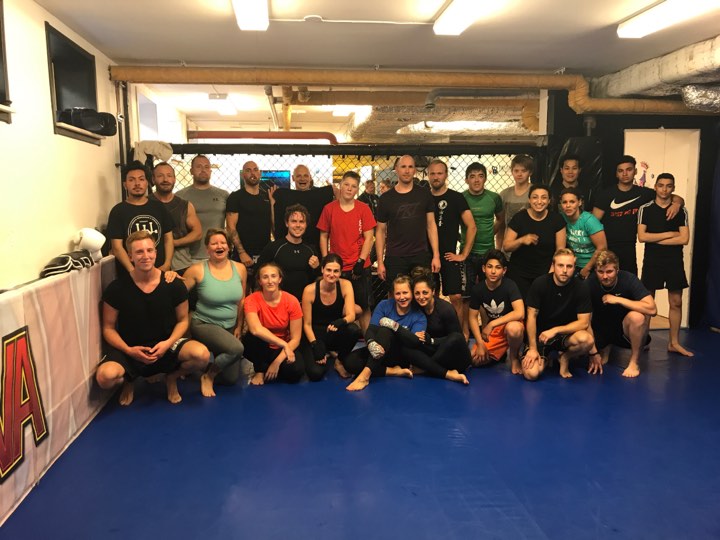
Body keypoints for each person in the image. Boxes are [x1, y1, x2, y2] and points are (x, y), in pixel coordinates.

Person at [95, 231, 210, 405]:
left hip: (166, 346)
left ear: (156, 253)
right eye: (139, 252)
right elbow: (108, 328)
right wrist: (128, 350)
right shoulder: (117, 288)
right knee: (105, 378)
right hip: (131, 348)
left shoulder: (174, 284)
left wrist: (168, 343)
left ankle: (171, 377)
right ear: (130, 256)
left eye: (149, 250)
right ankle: (129, 380)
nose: (146, 256)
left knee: (202, 356)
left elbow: (183, 321)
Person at [182, 229, 248, 397]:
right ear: (207, 249)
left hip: (229, 326)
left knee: (230, 379)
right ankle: (208, 376)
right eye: (214, 243)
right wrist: (183, 324)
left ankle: (197, 365)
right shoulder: (197, 270)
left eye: (223, 243)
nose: (219, 246)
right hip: (204, 323)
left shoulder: (240, 268)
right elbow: (178, 296)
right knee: (236, 349)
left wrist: (239, 325)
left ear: (229, 247)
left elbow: (241, 300)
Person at [593, 155, 683, 275]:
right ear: (616, 174)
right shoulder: (606, 195)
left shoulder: (644, 193)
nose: (625, 174)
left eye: (629, 170)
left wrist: (677, 204)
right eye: (621, 171)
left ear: (635, 171)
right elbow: (593, 223)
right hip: (607, 247)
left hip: (629, 247)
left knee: (629, 282)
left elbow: (674, 197)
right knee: (606, 279)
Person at [638, 173, 693, 356]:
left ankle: (673, 342)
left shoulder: (680, 211)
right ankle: (642, 341)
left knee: (676, 302)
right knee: (648, 303)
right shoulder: (645, 209)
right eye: (661, 185)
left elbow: (684, 239)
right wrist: (670, 234)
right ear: (655, 187)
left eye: (668, 186)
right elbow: (642, 237)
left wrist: (656, 238)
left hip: (674, 261)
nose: (664, 189)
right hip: (652, 260)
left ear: (673, 188)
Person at [522, 249, 596, 380]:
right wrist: (532, 348)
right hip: (541, 337)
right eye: (560, 265)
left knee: (587, 340)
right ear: (553, 265)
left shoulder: (581, 287)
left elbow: (584, 322)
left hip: (565, 336)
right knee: (531, 374)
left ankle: (565, 357)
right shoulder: (540, 283)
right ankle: (545, 357)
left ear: (574, 267)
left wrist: (556, 330)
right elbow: (531, 316)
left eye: (569, 266)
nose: (565, 270)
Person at [317, 171, 376, 331]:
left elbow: (369, 237)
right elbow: (323, 236)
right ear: (340, 185)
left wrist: (361, 261)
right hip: (337, 267)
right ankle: (338, 337)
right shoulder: (329, 209)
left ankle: (369, 340)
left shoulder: (363, 209)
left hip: (359, 266)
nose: (349, 189)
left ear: (357, 189)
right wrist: (326, 260)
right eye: (346, 185)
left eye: (353, 186)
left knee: (363, 307)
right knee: (338, 306)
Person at [343, 275, 420, 391]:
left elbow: (414, 342)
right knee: (350, 363)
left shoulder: (418, 314)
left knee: (385, 330)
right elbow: (371, 329)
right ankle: (393, 371)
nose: (402, 297)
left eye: (405, 293)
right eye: (398, 293)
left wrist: (395, 326)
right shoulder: (384, 305)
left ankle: (364, 376)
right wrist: (370, 342)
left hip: (400, 355)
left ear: (412, 293)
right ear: (393, 294)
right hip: (379, 351)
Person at [587, 250, 657, 378]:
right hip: (601, 329)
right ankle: (605, 347)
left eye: (609, 271)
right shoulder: (590, 282)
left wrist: (618, 300)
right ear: (595, 271)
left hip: (623, 331)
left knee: (637, 317)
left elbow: (652, 309)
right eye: (600, 272)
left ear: (617, 270)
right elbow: (584, 317)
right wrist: (594, 353)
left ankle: (634, 362)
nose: (605, 276)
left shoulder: (629, 279)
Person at [427, 159, 477, 332]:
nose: (436, 177)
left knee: (456, 297)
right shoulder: (423, 197)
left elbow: (471, 226)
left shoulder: (456, 197)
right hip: (426, 255)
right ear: (428, 175)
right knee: (429, 296)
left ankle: (459, 335)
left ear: (446, 175)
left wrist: (463, 254)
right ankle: (432, 332)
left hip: (449, 255)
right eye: (432, 173)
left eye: (439, 173)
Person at [376, 155, 441, 282]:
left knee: (422, 291)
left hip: (420, 255)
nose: (407, 170)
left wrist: (436, 255)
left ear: (415, 170)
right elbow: (380, 231)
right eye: (403, 166)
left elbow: (431, 225)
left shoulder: (424, 194)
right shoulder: (386, 198)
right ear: (396, 169)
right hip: (395, 257)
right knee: (396, 292)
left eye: (410, 167)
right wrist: (380, 261)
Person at [301, 254, 362, 381]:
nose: (332, 274)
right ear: (322, 269)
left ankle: (339, 361)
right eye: (328, 270)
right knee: (315, 373)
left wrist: (341, 321)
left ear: (340, 272)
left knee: (354, 330)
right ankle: (323, 350)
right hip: (315, 333)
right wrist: (315, 345)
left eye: (336, 271)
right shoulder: (309, 290)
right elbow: (306, 324)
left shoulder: (345, 285)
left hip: (334, 330)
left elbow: (351, 315)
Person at [107, 161, 174, 275]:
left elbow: (168, 239)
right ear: (125, 184)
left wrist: (167, 265)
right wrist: (132, 271)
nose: (137, 183)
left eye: (141, 179)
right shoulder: (118, 211)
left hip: (160, 271)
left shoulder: (159, 207)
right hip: (130, 275)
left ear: (147, 183)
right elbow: (117, 247)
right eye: (131, 180)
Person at [243, 262, 305, 385]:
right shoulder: (251, 299)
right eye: (265, 277)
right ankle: (260, 370)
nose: (270, 281)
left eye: (273, 276)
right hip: (260, 346)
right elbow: (255, 329)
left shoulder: (291, 301)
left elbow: (296, 338)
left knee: (295, 372)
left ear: (279, 279)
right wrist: (284, 345)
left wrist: (277, 362)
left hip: (281, 348)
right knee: (253, 337)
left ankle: (271, 366)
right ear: (260, 281)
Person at [405, 269, 471, 385]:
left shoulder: (445, 309)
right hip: (434, 352)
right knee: (406, 347)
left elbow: (457, 340)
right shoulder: (415, 307)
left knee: (455, 338)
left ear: (433, 291)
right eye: (417, 293)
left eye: (425, 292)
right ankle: (439, 370)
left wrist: (431, 341)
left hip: (454, 355)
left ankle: (425, 368)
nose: (421, 297)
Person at [503, 184, 566, 298]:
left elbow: (560, 250)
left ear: (549, 201)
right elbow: (506, 246)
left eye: (544, 197)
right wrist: (522, 240)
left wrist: (551, 273)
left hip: (545, 272)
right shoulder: (519, 218)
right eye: (535, 197)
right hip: (519, 273)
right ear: (529, 200)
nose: (539, 201)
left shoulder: (557, 220)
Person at [468, 250, 525, 374]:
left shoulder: (510, 285)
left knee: (514, 329)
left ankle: (514, 357)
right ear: (484, 268)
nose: (493, 271)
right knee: (474, 360)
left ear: (504, 271)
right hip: (494, 333)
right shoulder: (478, 289)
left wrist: (491, 324)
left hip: (510, 326)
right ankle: (500, 353)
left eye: (498, 268)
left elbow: (520, 312)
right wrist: (480, 343)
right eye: (490, 267)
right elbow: (472, 317)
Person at [226, 160, 274, 287]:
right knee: (241, 291)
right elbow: (230, 227)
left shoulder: (267, 197)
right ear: (243, 175)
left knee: (263, 290)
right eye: (248, 170)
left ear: (260, 173)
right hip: (243, 254)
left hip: (264, 252)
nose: (252, 173)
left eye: (255, 170)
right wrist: (241, 252)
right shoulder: (235, 197)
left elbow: (273, 224)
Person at [257, 204, 320, 301]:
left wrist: (317, 268)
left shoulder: (311, 249)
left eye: (301, 222)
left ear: (306, 224)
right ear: (287, 223)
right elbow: (259, 274)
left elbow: (317, 279)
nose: (298, 225)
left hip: (304, 303)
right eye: (294, 221)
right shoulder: (274, 247)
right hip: (277, 302)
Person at [151, 161, 202, 273]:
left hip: (181, 264)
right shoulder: (145, 203)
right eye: (160, 176)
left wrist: (173, 243)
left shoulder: (184, 205)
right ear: (153, 180)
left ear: (174, 179)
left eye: (169, 176)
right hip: (151, 265)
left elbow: (197, 233)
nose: (165, 179)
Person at [270, 164, 334, 254]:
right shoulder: (283, 197)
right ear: (293, 178)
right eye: (299, 176)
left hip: (314, 248)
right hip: (289, 249)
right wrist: (273, 203)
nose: (302, 179)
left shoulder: (320, 196)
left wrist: (333, 190)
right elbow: (276, 224)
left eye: (305, 176)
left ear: (310, 178)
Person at [176, 154, 229, 263]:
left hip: (218, 254)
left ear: (210, 171)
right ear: (191, 171)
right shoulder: (180, 196)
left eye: (206, 167)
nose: (203, 170)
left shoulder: (223, 195)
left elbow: (231, 225)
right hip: (190, 257)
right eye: (199, 166)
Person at [462, 162, 504, 294]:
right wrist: (461, 239)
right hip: (467, 253)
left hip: (487, 252)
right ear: (466, 180)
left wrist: (490, 233)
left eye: (480, 176)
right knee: (466, 294)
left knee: (487, 291)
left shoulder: (494, 198)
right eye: (472, 176)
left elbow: (500, 219)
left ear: (485, 179)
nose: (476, 180)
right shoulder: (461, 198)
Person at [560, 188, 607, 278]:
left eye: (572, 202)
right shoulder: (562, 218)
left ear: (579, 202)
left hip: (593, 266)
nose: (568, 205)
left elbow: (602, 248)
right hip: (572, 264)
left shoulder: (589, 220)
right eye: (564, 202)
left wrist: (587, 269)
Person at [499, 154, 533, 233]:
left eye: (523, 171)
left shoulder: (536, 192)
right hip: (509, 238)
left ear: (530, 172)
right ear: (512, 171)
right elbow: (501, 223)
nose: (519, 174)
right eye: (516, 171)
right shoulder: (504, 194)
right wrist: (500, 240)